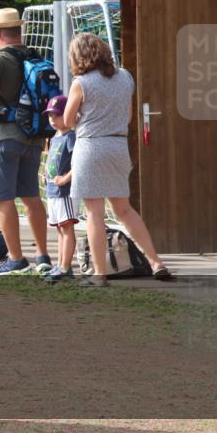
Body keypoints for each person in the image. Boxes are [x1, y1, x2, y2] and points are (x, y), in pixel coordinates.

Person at [63, 33, 171, 287]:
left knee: (94, 213)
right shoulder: (125, 77)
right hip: (118, 145)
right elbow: (130, 118)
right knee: (124, 209)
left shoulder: (81, 83)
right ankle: (157, 262)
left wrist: (84, 120)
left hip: (90, 147)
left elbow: (67, 121)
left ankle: (99, 273)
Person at [0, 8, 51, 275]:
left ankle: (16, 258)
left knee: (4, 199)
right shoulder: (34, 56)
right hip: (33, 137)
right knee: (31, 197)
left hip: (3, 137)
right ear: (20, 31)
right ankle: (42, 255)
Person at [40, 95, 79, 282]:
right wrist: (45, 175)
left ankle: (66, 267)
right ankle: (60, 264)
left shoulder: (71, 136)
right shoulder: (55, 138)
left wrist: (65, 178)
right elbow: (51, 160)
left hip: (65, 192)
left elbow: (78, 163)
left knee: (67, 227)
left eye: (57, 116)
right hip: (53, 192)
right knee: (59, 228)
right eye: (50, 116)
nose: (53, 120)